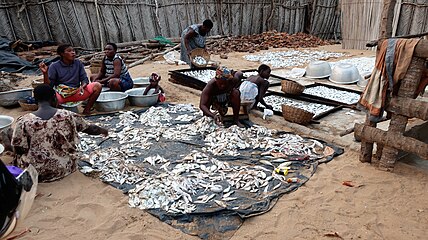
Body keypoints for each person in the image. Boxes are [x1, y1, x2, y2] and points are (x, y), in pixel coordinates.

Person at [11, 84, 108, 182]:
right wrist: (103, 130)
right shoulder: (67, 115)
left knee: (14, 145)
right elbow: (91, 129)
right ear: (54, 98)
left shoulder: (23, 121)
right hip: (65, 168)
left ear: (35, 100)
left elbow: (19, 149)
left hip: (36, 173)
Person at [39, 43, 102, 115]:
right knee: (46, 94)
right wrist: (45, 74)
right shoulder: (54, 66)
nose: (73, 53)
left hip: (77, 92)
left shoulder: (78, 63)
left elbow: (84, 78)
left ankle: (87, 110)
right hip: (61, 95)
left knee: (97, 86)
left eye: (73, 51)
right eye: (69, 51)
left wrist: (83, 86)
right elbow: (48, 86)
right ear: (62, 54)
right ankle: (60, 114)